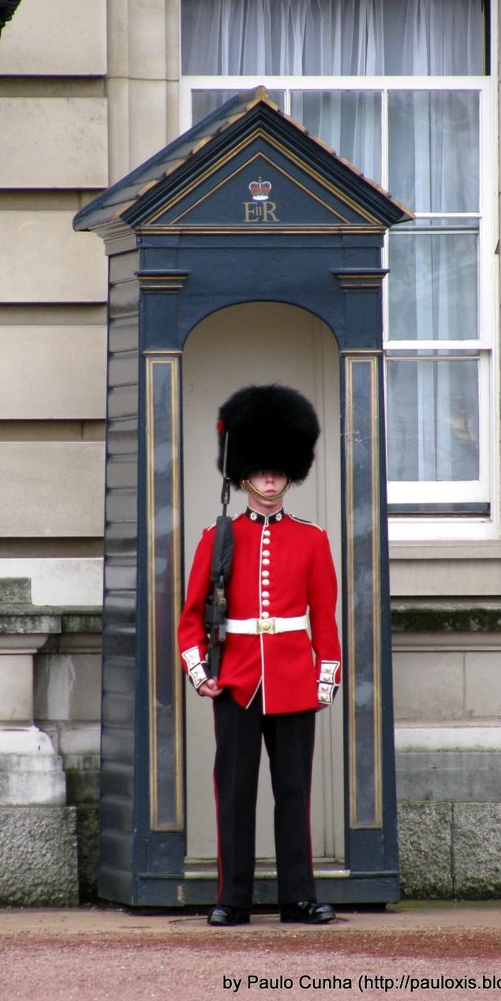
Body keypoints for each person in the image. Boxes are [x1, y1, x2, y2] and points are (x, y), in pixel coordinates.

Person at [177, 384, 342, 926]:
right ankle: (234, 898)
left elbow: (324, 619)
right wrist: (201, 671)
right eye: (261, 470)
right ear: (243, 473)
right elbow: (191, 615)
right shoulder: (217, 537)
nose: (270, 479)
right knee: (235, 794)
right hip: (238, 678)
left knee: (294, 794)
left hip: (294, 679)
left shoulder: (312, 540)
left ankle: (298, 895)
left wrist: (326, 676)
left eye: (278, 470)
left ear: (290, 472)